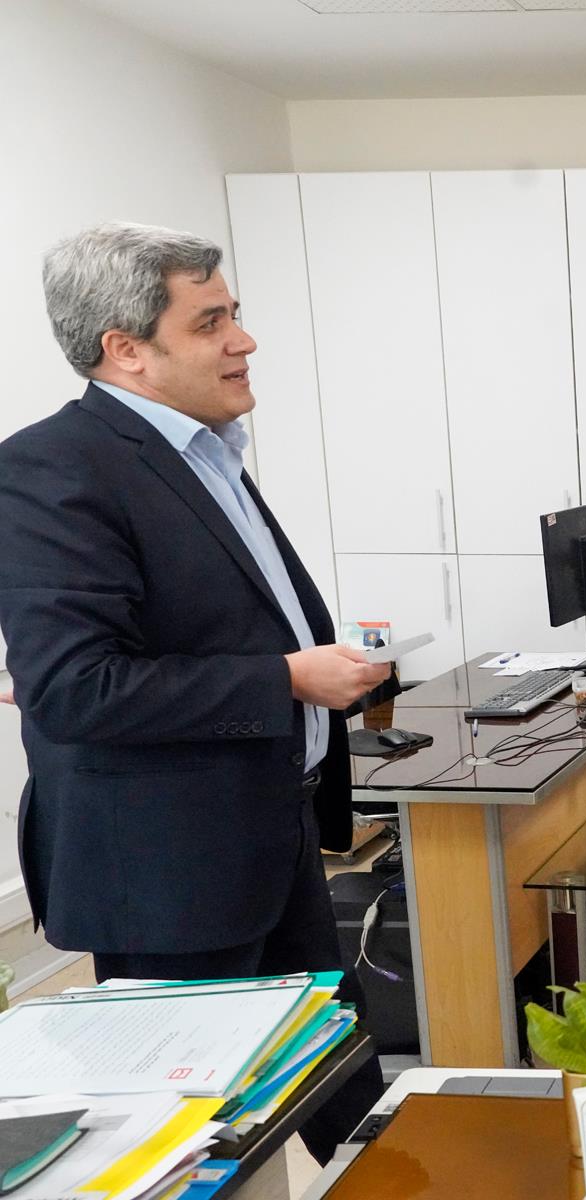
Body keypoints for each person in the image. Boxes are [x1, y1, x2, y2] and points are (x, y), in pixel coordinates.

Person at [0, 222, 391, 1158]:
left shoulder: (203, 452)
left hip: (271, 832)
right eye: (210, 322)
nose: (243, 340)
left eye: (234, 315)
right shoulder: (52, 467)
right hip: (168, 872)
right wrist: (287, 677)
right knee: (194, 1144)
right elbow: (73, 688)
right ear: (126, 349)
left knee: (338, 1084)